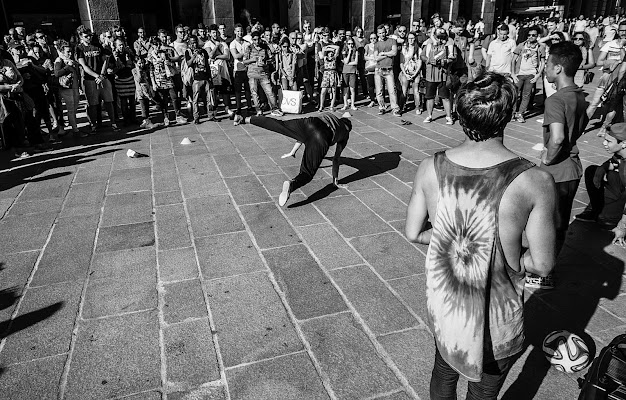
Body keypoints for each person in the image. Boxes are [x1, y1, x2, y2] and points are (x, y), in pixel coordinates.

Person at [405, 71, 557, 399]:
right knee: (484, 392)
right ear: (510, 112)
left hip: (448, 307)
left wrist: (454, 240)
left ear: (459, 112)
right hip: (498, 317)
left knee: (443, 372)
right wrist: (506, 254)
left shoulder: (430, 167)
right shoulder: (535, 181)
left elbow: (414, 232)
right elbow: (543, 265)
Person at [527, 41, 587, 290]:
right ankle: (549, 268)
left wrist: (546, 159)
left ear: (559, 68)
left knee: (545, 224)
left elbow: (558, 137)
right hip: (572, 168)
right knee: (560, 223)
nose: (545, 69)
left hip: (556, 171)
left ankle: (543, 272)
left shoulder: (555, 100)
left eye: (548, 64)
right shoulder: (579, 95)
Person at [233, 111, 351, 207]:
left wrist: (293, 151)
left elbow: (303, 136)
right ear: (348, 127)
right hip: (322, 136)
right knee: (307, 173)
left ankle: (245, 119)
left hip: (310, 123)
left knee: (280, 125)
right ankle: (291, 184)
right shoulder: (345, 134)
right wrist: (335, 181)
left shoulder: (331, 115)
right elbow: (336, 159)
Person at [576, 123, 626, 230]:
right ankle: (597, 208)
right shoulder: (621, 153)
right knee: (592, 170)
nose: (604, 143)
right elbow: (614, 162)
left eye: (608, 141)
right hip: (620, 187)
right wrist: (602, 168)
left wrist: (622, 226)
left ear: (623, 143)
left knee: (606, 221)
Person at [75, 25, 119, 133]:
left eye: (90, 35)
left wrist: (102, 75)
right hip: (89, 79)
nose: (89, 38)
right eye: (86, 36)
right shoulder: (79, 48)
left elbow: (105, 60)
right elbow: (84, 66)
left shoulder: (97, 46)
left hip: (102, 77)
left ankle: (113, 122)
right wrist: (96, 76)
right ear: (80, 37)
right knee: (93, 104)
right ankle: (93, 125)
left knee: (109, 100)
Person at [243, 30, 283, 116]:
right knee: (254, 93)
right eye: (254, 40)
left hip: (263, 73)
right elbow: (244, 61)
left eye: (258, 39)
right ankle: (258, 110)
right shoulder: (249, 48)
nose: (256, 42)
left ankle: (274, 108)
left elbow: (271, 58)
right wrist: (252, 60)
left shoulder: (265, 47)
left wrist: (265, 62)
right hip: (252, 73)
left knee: (269, 91)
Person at [512, 25, 545, 123]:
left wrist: (537, 75)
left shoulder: (540, 47)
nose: (531, 37)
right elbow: (513, 60)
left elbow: (542, 62)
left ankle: (520, 114)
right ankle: (512, 113)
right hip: (519, 73)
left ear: (537, 36)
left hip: (531, 74)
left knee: (526, 95)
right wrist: (513, 74)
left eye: (533, 35)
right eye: (529, 35)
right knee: (514, 94)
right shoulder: (521, 45)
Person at [54, 40, 81, 136]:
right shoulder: (59, 60)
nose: (70, 53)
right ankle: (75, 129)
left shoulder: (72, 60)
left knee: (74, 108)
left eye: (71, 51)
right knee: (71, 109)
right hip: (66, 88)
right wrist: (67, 67)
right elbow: (56, 73)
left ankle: (74, 126)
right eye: (67, 52)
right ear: (62, 51)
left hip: (75, 87)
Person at [374, 24, 401, 116]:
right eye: (380, 33)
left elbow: (394, 52)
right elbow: (376, 58)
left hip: (389, 69)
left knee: (392, 90)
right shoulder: (376, 44)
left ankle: (395, 108)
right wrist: (386, 54)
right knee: (379, 91)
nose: (382, 34)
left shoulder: (392, 41)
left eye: (383, 32)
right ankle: (382, 107)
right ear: (377, 34)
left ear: (386, 32)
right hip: (379, 69)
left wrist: (383, 53)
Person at [230, 24, 253, 117]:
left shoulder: (247, 43)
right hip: (238, 69)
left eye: (241, 31)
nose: (240, 33)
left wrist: (244, 55)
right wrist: (244, 53)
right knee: (238, 90)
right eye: (238, 31)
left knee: (248, 89)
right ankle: (239, 107)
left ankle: (249, 106)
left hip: (247, 68)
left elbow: (251, 54)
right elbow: (235, 56)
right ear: (235, 32)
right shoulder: (233, 43)